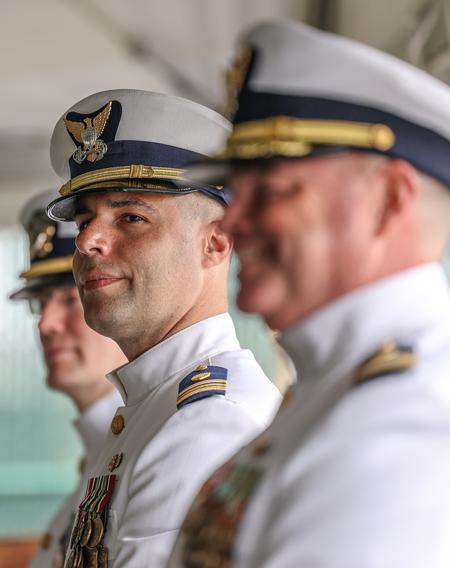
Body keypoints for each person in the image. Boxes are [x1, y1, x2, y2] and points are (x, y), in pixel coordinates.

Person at [170, 20, 450, 567]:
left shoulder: (414, 415)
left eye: (271, 188)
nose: (232, 219)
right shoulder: (352, 381)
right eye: (237, 189)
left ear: (389, 200)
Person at [45, 89, 281, 567]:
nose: (88, 240)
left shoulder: (208, 421)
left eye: (131, 217)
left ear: (216, 243)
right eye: (86, 218)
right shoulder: (157, 405)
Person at [8, 191, 127, 568]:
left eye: (70, 300)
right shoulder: (102, 450)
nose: (45, 324)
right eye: (40, 304)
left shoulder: (154, 440)